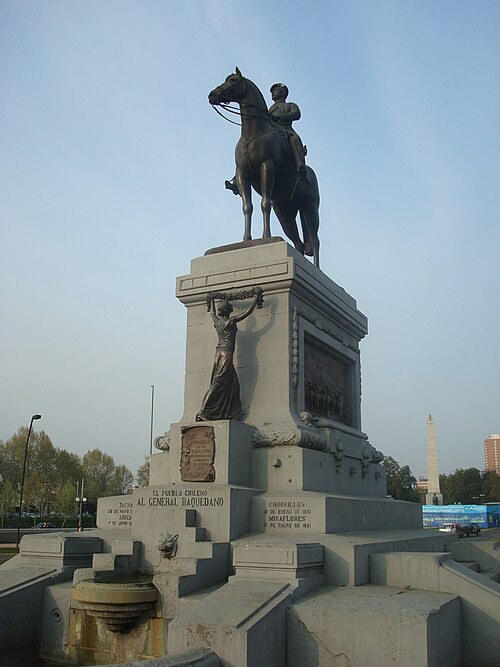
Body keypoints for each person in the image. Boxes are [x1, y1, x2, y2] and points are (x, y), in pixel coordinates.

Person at [225, 82, 307, 195]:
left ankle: (299, 164)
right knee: (245, 152)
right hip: (272, 131)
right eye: (273, 91)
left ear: (283, 92)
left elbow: (296, 114)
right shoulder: (270, 109)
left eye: (275, 90)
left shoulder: (289, 105)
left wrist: (280, 117)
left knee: (294, 139)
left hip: (285, 129)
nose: (273, 93)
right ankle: (236, 180)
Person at [196, 289, 262, 421]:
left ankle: (230, 411)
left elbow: (212, 313)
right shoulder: (231, 321)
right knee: (218, 383)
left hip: (218, 353)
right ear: (228, 311)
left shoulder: (216, 321)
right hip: (226, 353)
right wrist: (256, 297)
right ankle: (203, 411)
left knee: (232, 382)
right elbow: (248, 311)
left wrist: (212, 300)